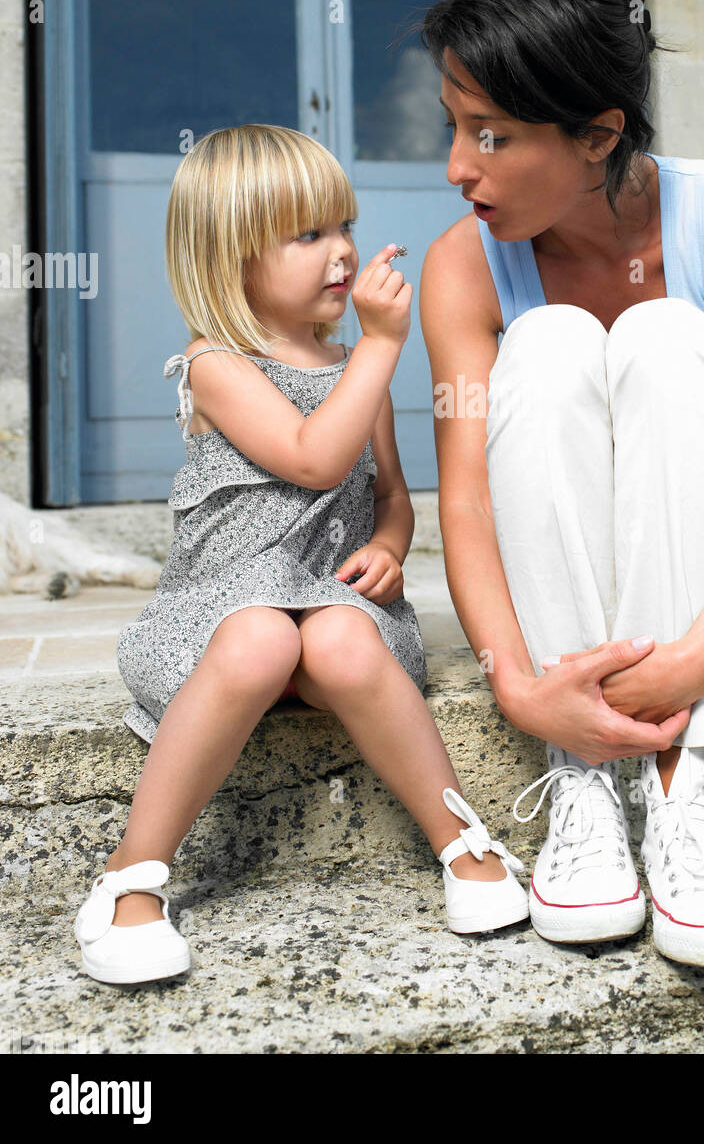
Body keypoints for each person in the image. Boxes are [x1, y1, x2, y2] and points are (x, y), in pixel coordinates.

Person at [418, 0, 704, 970]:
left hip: (697, 521)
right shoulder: (462, 265)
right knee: (553, 339)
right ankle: (581, 776)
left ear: (598, 133)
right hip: (558, 597)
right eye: (455, 127)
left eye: (494, 135)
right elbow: (468, 506)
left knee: (665, 334)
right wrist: (516, 685)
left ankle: (680, 785)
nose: (456, 167)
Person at [73, 125, 528, 986]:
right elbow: (315, 457)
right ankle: (130, 878)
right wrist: (388, 347)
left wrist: (390, 547)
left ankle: (461, 840)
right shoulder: (215, 365)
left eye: (344, 226)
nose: (344, 252)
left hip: (333, 608)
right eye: (308, 235)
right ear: (233, 258)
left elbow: (389, 495)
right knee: (262, 638)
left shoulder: (358, 371)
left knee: (332, 639)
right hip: (218, 623)